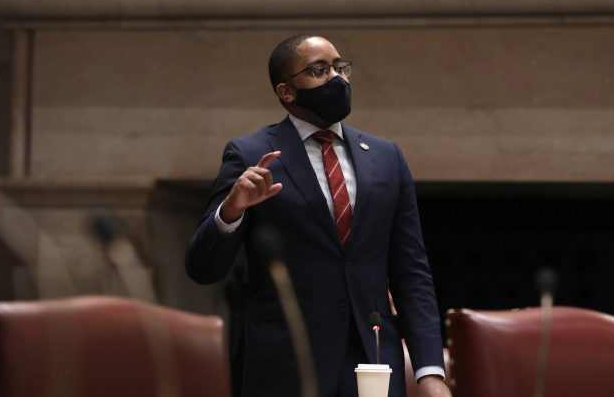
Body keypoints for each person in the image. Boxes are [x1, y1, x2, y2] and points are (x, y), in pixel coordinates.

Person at [186, 35, 451, 397]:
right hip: (287, 363)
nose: (337, 79)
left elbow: (411, 271)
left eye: (341, 68)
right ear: (286, 91)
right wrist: (231, 210)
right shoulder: (251, 153)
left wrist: (430, 371)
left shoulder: (387, 156)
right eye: (319, 70)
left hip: (372, 360)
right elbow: (203, 268)